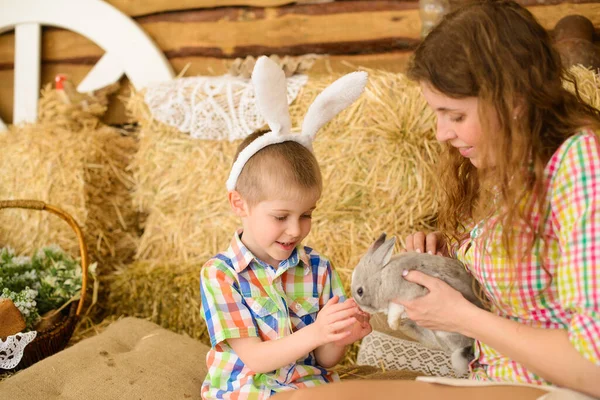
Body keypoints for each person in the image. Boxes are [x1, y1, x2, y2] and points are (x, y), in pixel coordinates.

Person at [399, 1, 600, 397]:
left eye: (455, 116)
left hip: (551, 388)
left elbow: (592, 366)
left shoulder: (582, 163)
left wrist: (463, 317)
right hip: (493, 373)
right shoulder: (507, 163)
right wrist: (450, 261)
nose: (441, 133)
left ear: (513, 101)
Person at [199, 56, 371, 399]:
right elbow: (257, 359)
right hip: (248, 391)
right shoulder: (222, 275)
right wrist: (317, 332)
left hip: (308, 388)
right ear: (240, 205)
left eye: (307, 214)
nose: (296, 230)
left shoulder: (318, 269)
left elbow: (324, 360)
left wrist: (341, 336)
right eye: (281, 217)